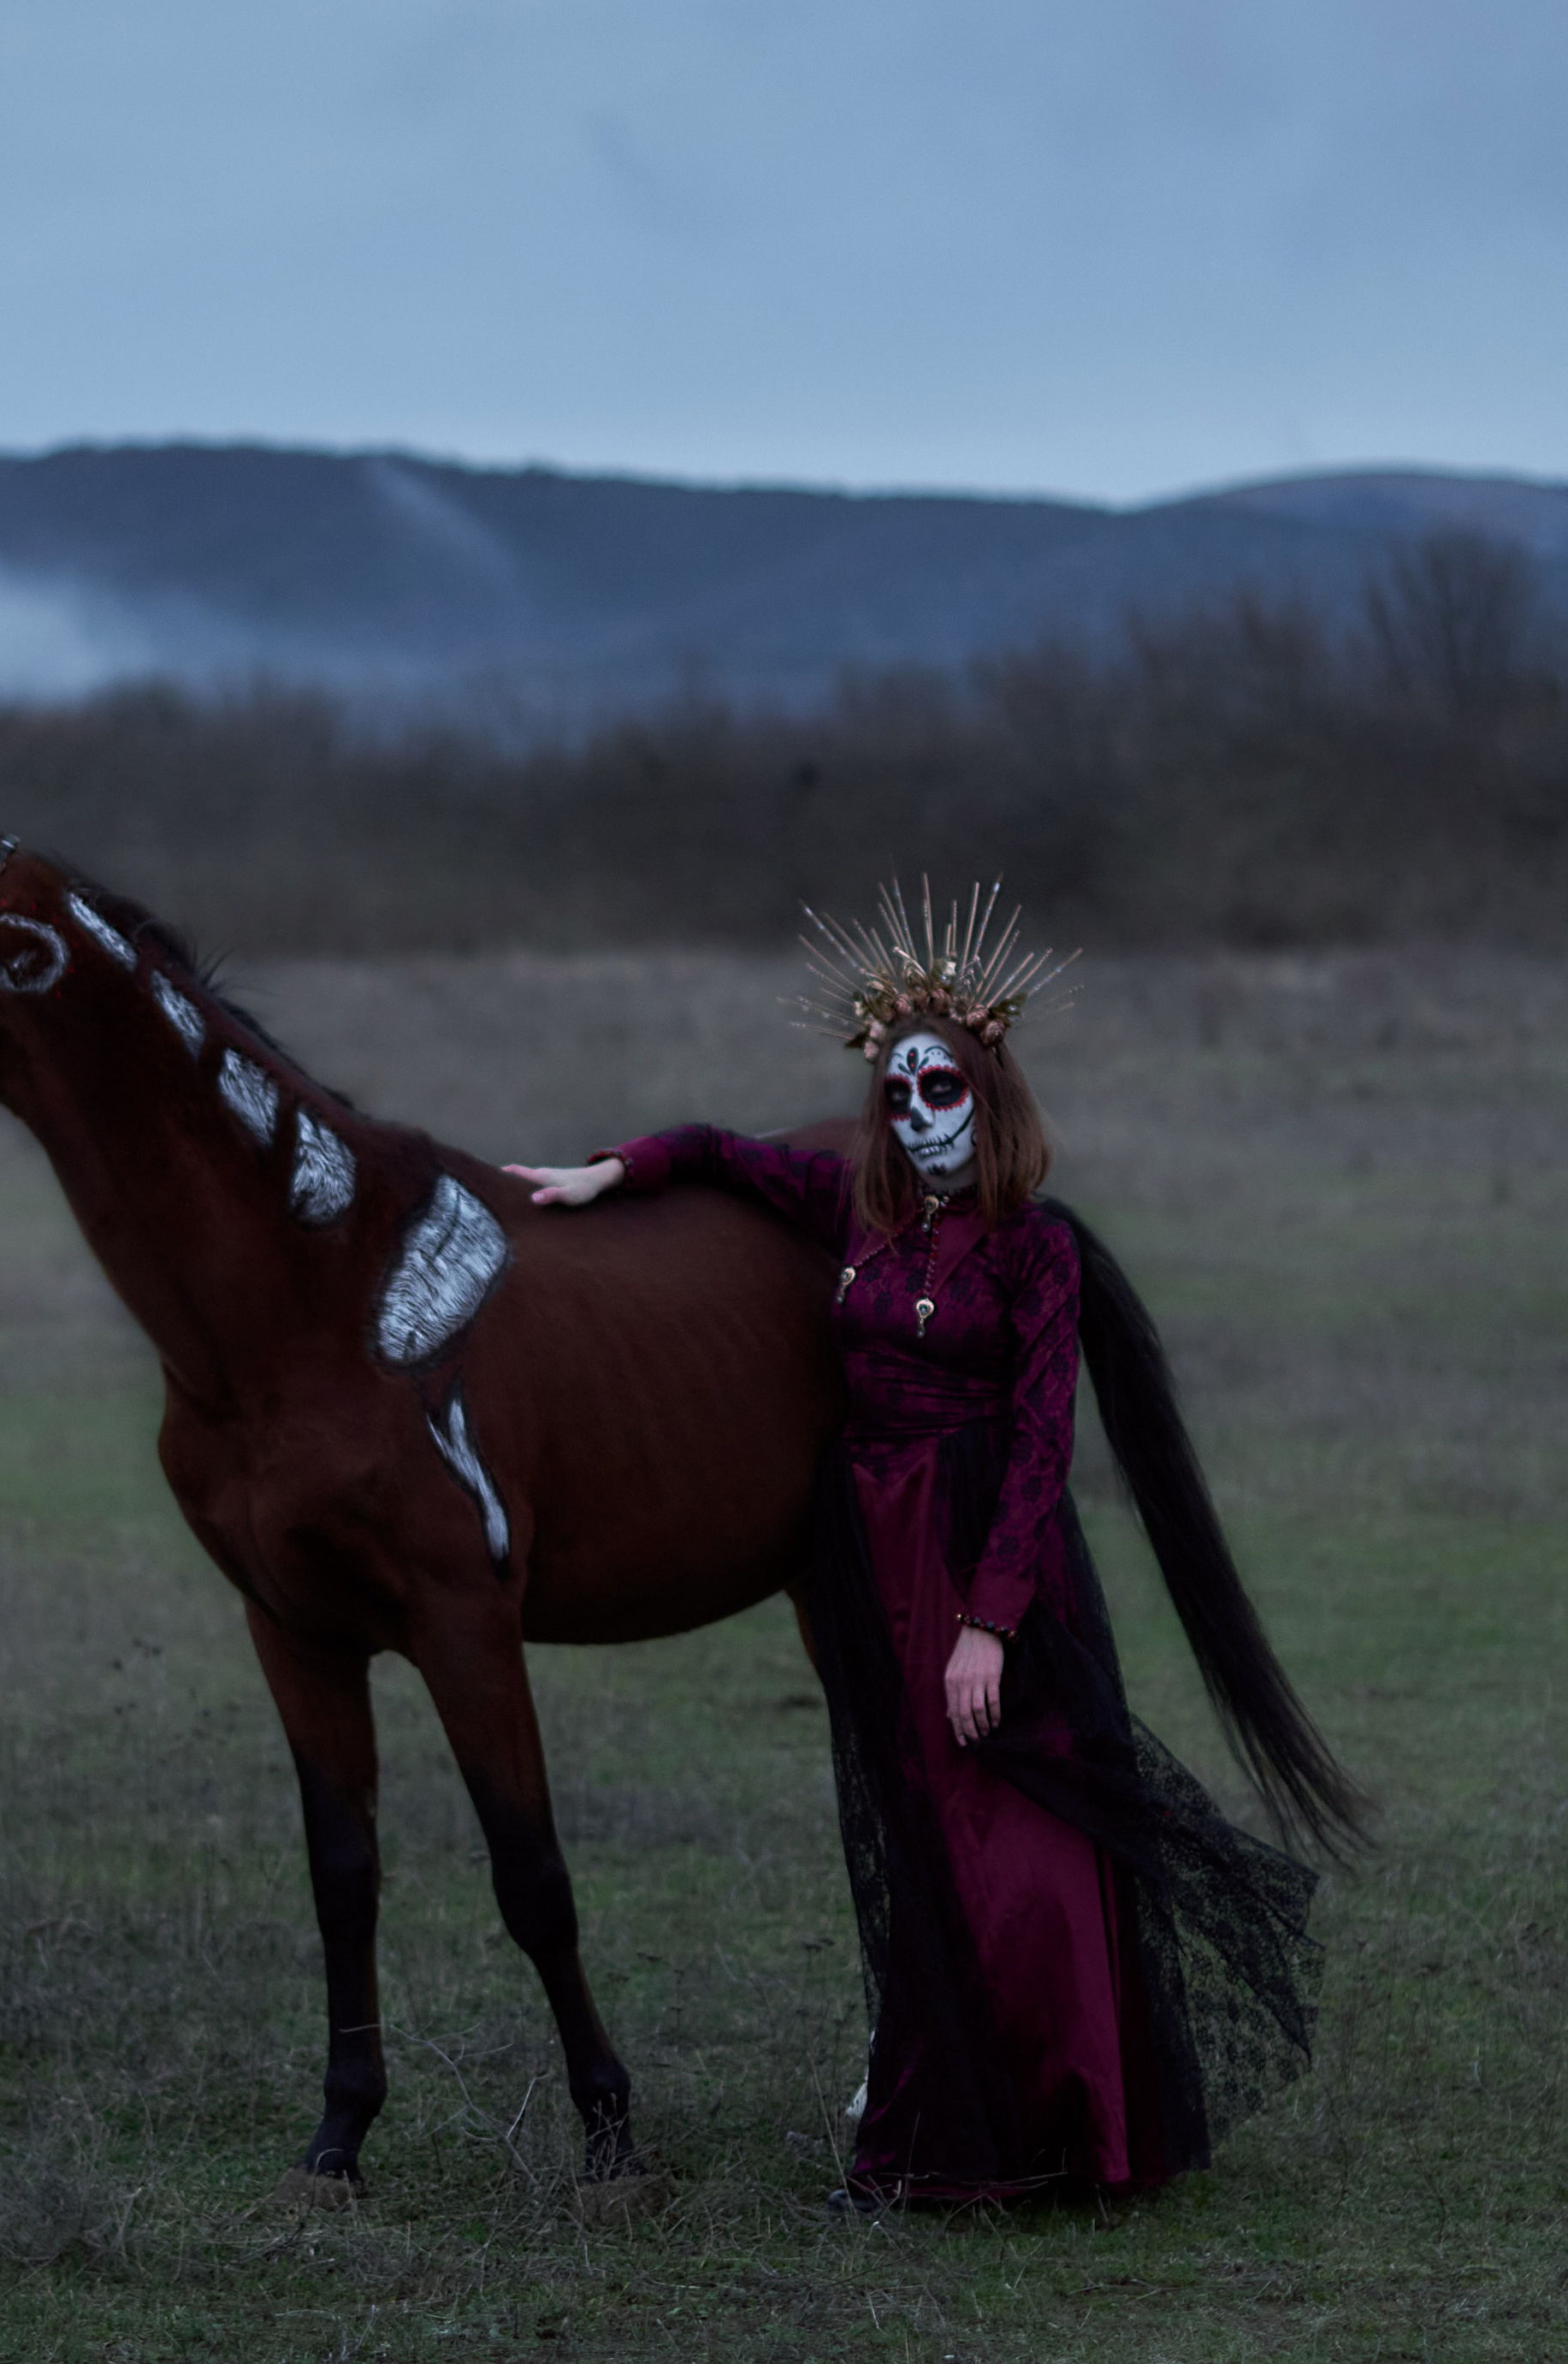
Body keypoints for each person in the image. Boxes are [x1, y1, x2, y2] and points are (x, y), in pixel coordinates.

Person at [506, 884, 1361, 2207]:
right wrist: (613, 1169)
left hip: (984, 1555)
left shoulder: (1034, 1252)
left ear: (991, 1089)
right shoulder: (860, 1212)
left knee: (1020, 1829)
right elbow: (728, 1153)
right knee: (923, 1830)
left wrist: (990, 1620)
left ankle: (1069, 2125)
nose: (917, 1113)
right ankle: (941, 2122)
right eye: (896, 1093)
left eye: (940, 1087)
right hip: (873, 1553)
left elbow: (1039, 1447)